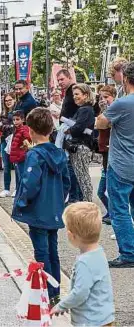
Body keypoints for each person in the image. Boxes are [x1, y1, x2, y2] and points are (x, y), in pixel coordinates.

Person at [12, 108, 70, 306]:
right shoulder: (60, 154)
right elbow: (67, 182)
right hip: (54, 209)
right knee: (53, 251)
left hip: (38, 210)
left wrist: (21, 202)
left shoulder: (34, 155)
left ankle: (44, 291)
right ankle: (55, 291)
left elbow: (30, 183)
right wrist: (59, 201)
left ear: (31, 131)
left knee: (41, 252)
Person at [51, 202, 115, 327]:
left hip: (90, 320)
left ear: (71, 235)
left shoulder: (84, 262)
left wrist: (61, 305)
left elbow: (80, 293)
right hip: (104, 316)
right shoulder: (99, 252)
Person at [96, 62, 134, 268]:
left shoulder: (122, 103)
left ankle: (128, 253)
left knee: (119, 210)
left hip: (122, 163)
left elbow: (100, 123)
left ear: (126, 79)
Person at [63, 84, 95, 203]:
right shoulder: (86, 109)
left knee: (82, 177)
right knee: (81, 177)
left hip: (80, 147)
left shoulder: (85, 109)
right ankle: (86, 203)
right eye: (74, 94)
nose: (74, 97)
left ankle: (87, 205)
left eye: (77, 94)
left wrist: (69, 129)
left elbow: (78, 127)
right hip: (81, 146)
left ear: (85, 95)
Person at [57, 69, 83, 203]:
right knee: (70, 166)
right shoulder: (68, 92)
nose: (60, 82)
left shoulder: (73, 90)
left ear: (69, 77)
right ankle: (75, 196)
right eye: (58, 80)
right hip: (68, 131)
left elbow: (79, 113)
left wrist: (68, 124)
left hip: (72, 133)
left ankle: (75, 197)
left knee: (71, 167)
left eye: (62, 79)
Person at [95, 85, 117, 225]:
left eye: (106, 97)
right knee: (102, 191)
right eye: (101, 97)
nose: (103, 100)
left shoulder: (114, 110)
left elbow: (106, 124)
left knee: (107, 190)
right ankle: (111, 213)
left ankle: (115, 217)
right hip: (104, 152)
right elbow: (98, 125)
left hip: (111, 153)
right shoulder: (103, 111)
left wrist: (103, 114)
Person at [0, 93, 16, 198]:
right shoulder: (3, 113)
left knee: (17, 167)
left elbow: (16, 127)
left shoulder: (17, 112)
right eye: (6, 100)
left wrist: (5, 126)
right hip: (4, 141)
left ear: (14, 100)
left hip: (15, 141)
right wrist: (9, 127)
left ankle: (17, 189)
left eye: (10, 100)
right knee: (6, 166)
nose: (8, 102)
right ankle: (6, 189)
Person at [9, 111, 32, 191]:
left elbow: (28, 138)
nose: (15, 121)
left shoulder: (23, 129)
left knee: (22, 177)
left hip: (21, 157)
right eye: (14, 119)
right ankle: (20, 194)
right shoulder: (17, 129)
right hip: (18, 157)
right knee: (20, 177)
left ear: (23, 120)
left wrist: (24, 145)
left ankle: (24, 195)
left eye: (17, 119)